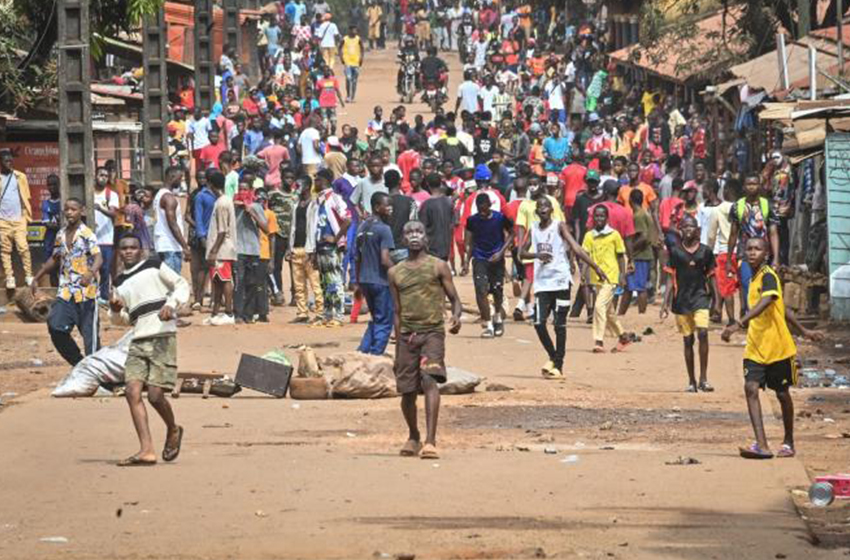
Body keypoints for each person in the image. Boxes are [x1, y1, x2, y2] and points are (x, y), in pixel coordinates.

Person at [721, 237, 823, 459]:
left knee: (782, 394)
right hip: (756, 346)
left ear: (766, 253)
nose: (752, 253)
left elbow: (769, 301)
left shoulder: (768, 275)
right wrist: (804, 331)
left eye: (757, 249)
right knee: (750, 388)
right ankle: (762, 444)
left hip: (778, 347)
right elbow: (782, 308)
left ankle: (788, 441)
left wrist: (739, 322)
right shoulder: (754, 277)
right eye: (748, 249)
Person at [109, 233, 189, 467]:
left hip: (162, 336)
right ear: (119, 252)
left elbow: (181, 284)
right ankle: (146, 450)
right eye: (124, 248)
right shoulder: (119, 282)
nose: (128, 251)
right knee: (132, 392)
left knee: (155, 395)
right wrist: (115, 311)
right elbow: (123, 319)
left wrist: (171, 304)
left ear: (140, 250)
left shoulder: (154, 265)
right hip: (138, 339)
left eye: (133, 247)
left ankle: (173, 428)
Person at [388, 221, 462, 460]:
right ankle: (414, 436)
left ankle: (431, 441)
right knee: (407, 391)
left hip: (432, 333)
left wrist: (456, 317)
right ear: (403, 239)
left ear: (426, 238)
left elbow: (454, 299)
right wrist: (398, 342)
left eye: (419, 232)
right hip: (407, 336)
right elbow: (397, 311)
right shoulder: (395, 272)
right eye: (409, 232)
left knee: (430, 380)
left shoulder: (439, 266)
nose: (414, 236)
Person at [521, 196, 606, 379]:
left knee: (559, 324)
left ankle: (558, 365)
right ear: (536, 211)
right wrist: (537, 254)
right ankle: (553, 356)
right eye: (539, 206)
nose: (543, 209)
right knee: (538, 322)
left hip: (560, 281)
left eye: (546, 206)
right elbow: (521, 253)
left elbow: (576, 248)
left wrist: (595, 267)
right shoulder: (534, 228)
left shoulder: (559, 226)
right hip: (543, 283)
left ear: (551, 210)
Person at [30, 198, 102, 365]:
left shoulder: (87, 234)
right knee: (55, 326)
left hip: (86, 293)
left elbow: (98, 257)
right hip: (66, 291)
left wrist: (91, 273)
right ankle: (78, 364)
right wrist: (37, 277)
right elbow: (55, 259)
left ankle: (100, 375)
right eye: (67, 209)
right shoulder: (60, 234)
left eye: (73, 209)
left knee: (90, 339)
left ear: (81, 211)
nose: (69, 212)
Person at [660, 214, 720, 393]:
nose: (688, 230)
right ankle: (691, 380)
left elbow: (711, 277)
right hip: (682, 301)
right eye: (684, 227)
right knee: (688, 340)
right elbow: (671, 278)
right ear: (680, 230)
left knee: (703, 333)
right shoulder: (676, 251)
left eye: (691, 227)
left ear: (697, 230)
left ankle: (704, 378)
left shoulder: (705, 252)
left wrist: (717, 300)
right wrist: (665, 302)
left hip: (701, 297)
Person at [726, 173, 780, 315]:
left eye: (754, 184)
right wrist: (728, 259)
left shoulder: (767, 205)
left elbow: (773, 233)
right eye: (749, 184)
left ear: (759, 186)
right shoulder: (738, 207)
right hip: (744, 253)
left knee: (763, 284)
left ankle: (757, 313)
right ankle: (750, 312)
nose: (751, 187)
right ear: (744, 187)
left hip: (764, 254)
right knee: (746, 283)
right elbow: (733, 234)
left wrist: (776, 258)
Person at [582, 205, 630, 354]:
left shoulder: (614, 235)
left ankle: (598, 340)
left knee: (598, 306)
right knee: (608, 312)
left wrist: (622, 275)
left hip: (611, 277)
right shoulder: (589, 236)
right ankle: (623, 336)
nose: (599, 219)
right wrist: (584, 274)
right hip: (597, 278)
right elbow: (585, 256)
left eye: (602, 216)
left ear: (607, 218)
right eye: (596, 216)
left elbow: (621, 255)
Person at [463, 194, 513, 338]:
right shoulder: (472, 220)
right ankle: (488, 324)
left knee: (497, 290)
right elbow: (470, 241)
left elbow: (511, 234)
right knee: (481, 290)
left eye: (484, 209)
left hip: (496, 258)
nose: (482, 212)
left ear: (489, 206)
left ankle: (497, 316)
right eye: (480, 209)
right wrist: (466, 261)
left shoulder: (500, 218)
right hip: (479, 258)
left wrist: (501, 252)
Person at [355, 192, 395, 355]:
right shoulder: (384, 229)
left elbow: (357, 256)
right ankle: (375, 354)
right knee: (385, 321)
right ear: (377, 207)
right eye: (387, 206)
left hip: (365, 279)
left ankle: (362, 352)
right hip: (380, 281)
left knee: (376, 319)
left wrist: (358, 281)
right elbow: (385, 260)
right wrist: (399, 273)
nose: (390, 209)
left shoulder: (362, 226)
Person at [314, 169, 351, 326]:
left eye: (316, 180)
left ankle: (338, 315)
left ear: (323, 181)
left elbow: (347, 219)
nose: (314, 183)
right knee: (324, 282)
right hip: (321, 246)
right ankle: (328, 314)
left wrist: (336, 239)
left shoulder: (335, 198)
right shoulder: (319, 200)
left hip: (332, 247)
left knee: (335, 280)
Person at [204, 171, 237, 326]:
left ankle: (229, 313)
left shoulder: (223, 203)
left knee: (225, 280)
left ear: (210, 184)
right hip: (219, 248)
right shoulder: (222, 201)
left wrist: (214, 250)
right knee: (217, 281)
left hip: (222, 248)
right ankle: (215, 313)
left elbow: (222, 230)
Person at [233, 180, 268, 324]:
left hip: (253, 250)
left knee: (252, 283)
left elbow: (266, 227)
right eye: (240, 189)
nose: (242, 192)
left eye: (245, 189)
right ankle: (238, 314)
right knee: (239, 283)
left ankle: (248, 313)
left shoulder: (256, 206)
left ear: (251, 191)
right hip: (238, 250)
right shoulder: (233, 207)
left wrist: (251, 212)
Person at [618, 189, 656, 315]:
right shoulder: (644, 213)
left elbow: (643, 236)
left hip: (640, 256)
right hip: (641, 255)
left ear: (630, 200)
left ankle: (641, 314)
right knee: (629, 286)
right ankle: (621, 313)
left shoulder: (638, 216)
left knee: (639, 287)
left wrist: (631, 250)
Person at [0, 149, 33, 289]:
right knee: (5, 250)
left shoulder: (20, 177)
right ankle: (9, 277)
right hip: (3, 220)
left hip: (19, 219)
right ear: (1, 162)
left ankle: (29, 275)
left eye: (10, 161)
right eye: (6, 161)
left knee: (23, 248)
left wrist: (25, 217)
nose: (9, 163)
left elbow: (26, 197)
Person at [188, 170, 216, 309]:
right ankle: (198, 297)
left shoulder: (214, 195)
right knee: (198, 268)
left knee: (210, 267)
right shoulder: (195, 195)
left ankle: (213, 298)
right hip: (199, 234)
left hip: (208, 233)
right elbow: (189, 215)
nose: (201, 180)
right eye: (199, 177)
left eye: (204, 177)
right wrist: (199, 229)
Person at [153, 181, 190, 274]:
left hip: (163, 245)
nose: (181, 182)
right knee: (173, 284)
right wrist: (185, 247)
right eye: (180, 178)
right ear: (173, 177)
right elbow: (172, 224)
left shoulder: (159, 195)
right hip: (170, 247)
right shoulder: (168, 198)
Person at [418, 173, 453, 262]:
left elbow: (422, 228)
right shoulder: (448, 202)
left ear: (427, 184)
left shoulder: (427, 205)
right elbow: (452, 224)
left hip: (431, 248)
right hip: (445, 247)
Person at [41, 175, 62, 287]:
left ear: (59, 184)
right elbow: (47, 223)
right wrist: (60, 225)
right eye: (49, 184)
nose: (52, 187)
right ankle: (55, 294)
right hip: (50, 241)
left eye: (54, 184)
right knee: (52, 270)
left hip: (63, 240)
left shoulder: (64, 202)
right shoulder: (46, 203)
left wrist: (57, 225)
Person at [340, 25, 365, 102]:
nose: (355, 32)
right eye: (353, 30)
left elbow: (362, 48)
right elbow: (339, 48)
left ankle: (353, 96)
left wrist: (361, 58)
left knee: (354, 80)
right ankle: (348, 95)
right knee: (348, 78)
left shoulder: (358, 39)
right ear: (349, 31)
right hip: (347, 62)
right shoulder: (345, 39)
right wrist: (341, 57)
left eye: (356, 30)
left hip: (356, 62)